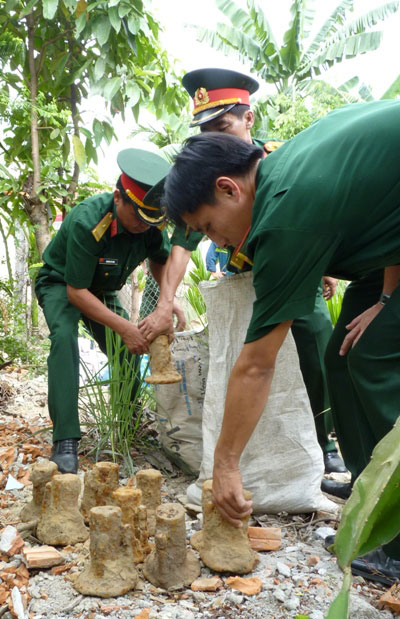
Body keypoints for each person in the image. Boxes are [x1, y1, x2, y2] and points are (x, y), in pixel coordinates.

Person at [162, 99, 400, 584]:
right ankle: (371, 496)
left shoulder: (285, 214)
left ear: (228, 188)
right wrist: (387, 296)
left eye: (210, 228)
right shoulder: (281, 166)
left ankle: (396, 535)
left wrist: (226, 466)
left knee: (376, 359)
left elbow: (256, 364)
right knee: (344, 355)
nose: (220, 243)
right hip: (387, 261)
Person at [181, 68, 345, 474]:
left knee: (317, 349)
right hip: (246, 281)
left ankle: (323, 444)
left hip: (295, 274)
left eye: (223, 126)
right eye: (206, 132)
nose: (214, 139)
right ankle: (258, 454)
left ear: (249, 118)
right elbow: (182, 243)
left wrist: (323, 266)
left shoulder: (279, 160)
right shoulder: (200, 180)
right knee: (250, 365)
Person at [35, 148, 180, 475]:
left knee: (130, 346)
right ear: (118, 198)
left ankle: (127, 425)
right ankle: (65, 440)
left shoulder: (150, 221)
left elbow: (161, 259)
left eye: (151, 220)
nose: (145, 226)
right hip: (62, 282)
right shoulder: (90, 221)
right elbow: (75, 291)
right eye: (139, 218)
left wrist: (167, 303)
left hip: (99, 289)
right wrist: (125, 327)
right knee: (64, 341)